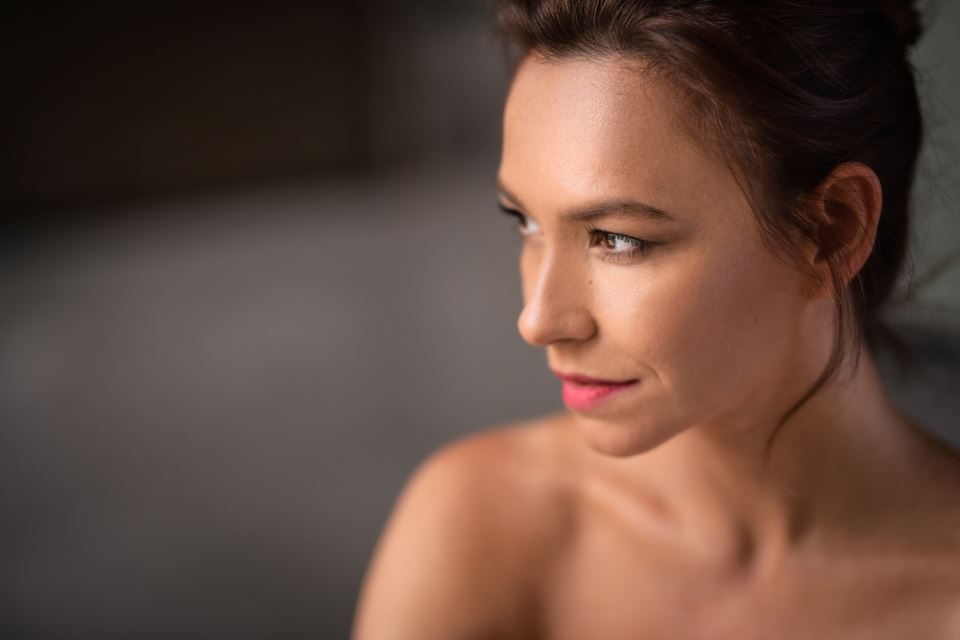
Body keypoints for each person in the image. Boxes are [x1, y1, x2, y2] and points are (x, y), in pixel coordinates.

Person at [352, 1, 960, 637]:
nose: (538, 321)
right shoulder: (481, 528)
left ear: (833, 231)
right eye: (525, 222)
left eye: (618, 239)